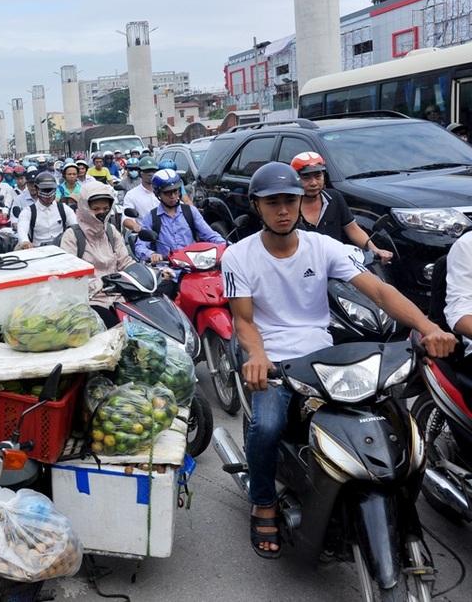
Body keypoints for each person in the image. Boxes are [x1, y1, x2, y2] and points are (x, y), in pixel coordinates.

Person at [222, 161, 455, 559]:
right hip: (274, 358)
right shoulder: (238, 256)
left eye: (289, 201)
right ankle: (263, 500)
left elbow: (380, 293)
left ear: (301, 202)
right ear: (256, 206)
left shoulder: (323, 247)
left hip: (323, 355)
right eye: (272, 202)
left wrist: (427, 326)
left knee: (385, 417)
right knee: (267, 426)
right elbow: (243, 321)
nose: (282, 210)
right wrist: (257, 355)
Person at [291, 152, 394, 266]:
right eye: (306, 177)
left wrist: (375, 250)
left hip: (336, 267)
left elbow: (353, 229)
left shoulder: (334, 197)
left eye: (318, 176)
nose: (314, 183)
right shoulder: (289, 207)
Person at [59, 182, 134, 328]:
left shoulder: (111, 231)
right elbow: (69, 276)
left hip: (119, 297)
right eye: (96, 209)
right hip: (90, 301)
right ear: (85, 208)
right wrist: (100, 284)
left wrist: (145, 275)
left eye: (106, 208)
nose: (102, 213)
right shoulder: (72, 236)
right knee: (116, 331)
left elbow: (125, 262)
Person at [134, 169, 224, 264]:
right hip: (167, 269)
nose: (173, 196)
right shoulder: (151, 217)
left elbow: (210, 235)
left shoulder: (190, 211)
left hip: (194, 267)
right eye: (167, 192)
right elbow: (140, 246)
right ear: (158, 193)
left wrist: (226, 246)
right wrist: (151, 255)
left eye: (175, 191)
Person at [16, 172, 76, 249]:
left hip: (61, 249)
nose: (48, 194)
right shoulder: (28, 211)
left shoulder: (64, 209)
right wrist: (25, 241)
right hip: (36, 250)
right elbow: (22, 229)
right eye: (44, 190)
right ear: (37, 189)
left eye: (50, 189)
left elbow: (75, 226)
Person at [123, 157, 161, 232]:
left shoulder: (164, 191)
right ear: (140, 172)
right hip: (144, 234)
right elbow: (126, 219)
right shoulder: (132, 194)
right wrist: (136, 227)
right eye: (147, 171)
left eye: (153, 171)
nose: (151, 174)